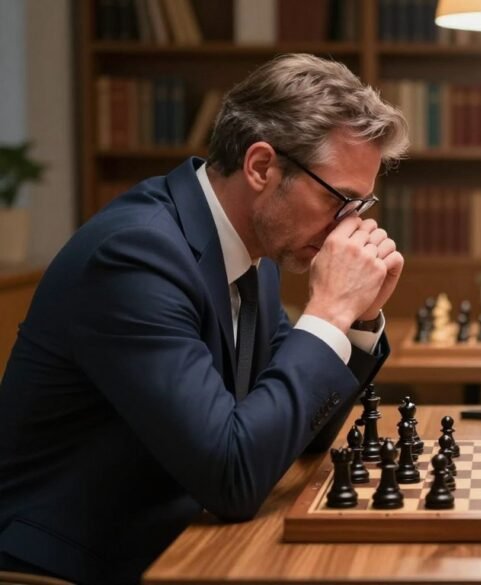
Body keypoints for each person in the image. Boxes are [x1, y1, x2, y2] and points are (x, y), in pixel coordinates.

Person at [0, 54, 409, 584]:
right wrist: (329, 311)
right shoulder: (135, 256)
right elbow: (232, 476)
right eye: (339, 200)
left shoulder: (253, 254)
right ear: (261, 167)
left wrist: (357, 319)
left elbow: (299, 432)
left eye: (360, 205)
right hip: (70, 568)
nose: (346, 227)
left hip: (180, 542)